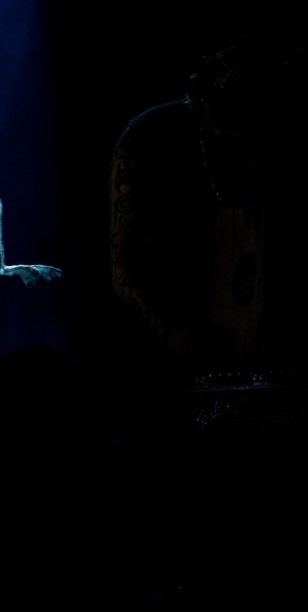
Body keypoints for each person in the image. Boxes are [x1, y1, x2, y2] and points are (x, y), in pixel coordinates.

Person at [103, 34, 305, 598]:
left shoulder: (277, 138)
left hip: (260, 360)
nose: (236, 136)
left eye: (252, 124)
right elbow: (123, 266)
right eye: (227, 122)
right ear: (206, 103)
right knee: (183, 521)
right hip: (164, 359)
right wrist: (174, 333)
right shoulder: (151, 138)